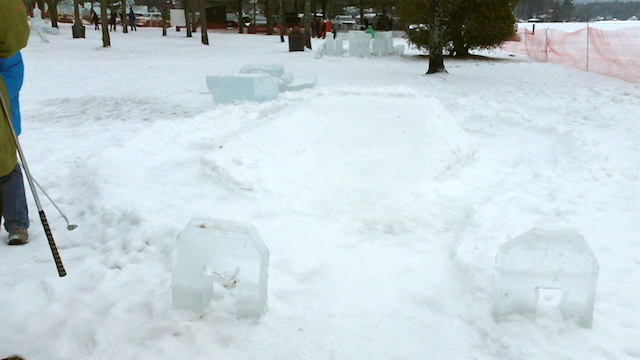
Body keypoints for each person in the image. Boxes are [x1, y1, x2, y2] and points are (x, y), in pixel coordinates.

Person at [0, 0, 30, 245]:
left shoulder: (7, 49)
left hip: (2, 119)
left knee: (7, 168)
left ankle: (17, 223)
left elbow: (13, 76)